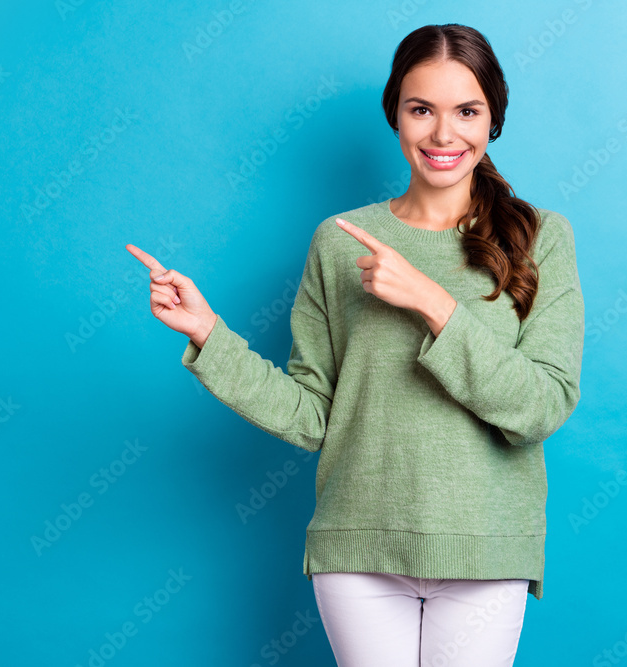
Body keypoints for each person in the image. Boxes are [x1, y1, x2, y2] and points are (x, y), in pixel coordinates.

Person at [127, 23, 584, 667]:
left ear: (493, 119)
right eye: (421, 109)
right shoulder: (341, 241)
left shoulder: (542, 239)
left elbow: (541, 407)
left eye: (467, 111)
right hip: (357, 550)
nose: (443, 134)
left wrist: (432, 301)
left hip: (485, 545)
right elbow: (314, 415)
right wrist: (210, 335)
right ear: (394, 114)